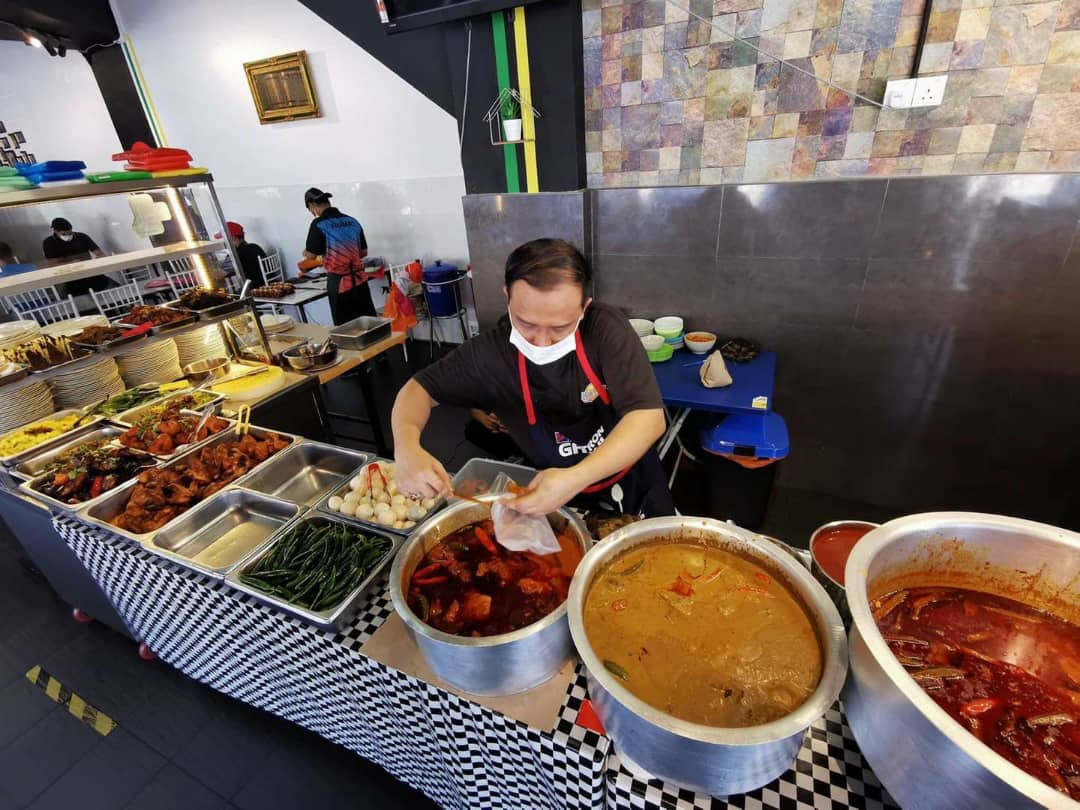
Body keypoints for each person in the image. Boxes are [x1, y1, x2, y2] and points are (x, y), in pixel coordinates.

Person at [392, 238, 674, 517]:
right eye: (526, 323)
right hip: (551, 494)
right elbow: (418, 390)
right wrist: (406, 448)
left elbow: (647, 418)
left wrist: (576, 477)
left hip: (632, 479)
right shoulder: (492, 353)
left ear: (584, 308)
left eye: (560, 327)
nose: (541, 342)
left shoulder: (605, 330)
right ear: (508, 296)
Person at [300, 188, 374, 324]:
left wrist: (305, 252)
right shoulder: (352, 221)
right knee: (370, 324)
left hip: (340, 285)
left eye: (310, 209)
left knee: (348, 328)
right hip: (360, 281)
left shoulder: (319, 224)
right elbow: (363, 252)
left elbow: (310, 255)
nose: (312, 213)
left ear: (312, 205)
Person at [41, 217, 109, 296]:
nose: (68, 236)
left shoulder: (82, 237)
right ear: (55, 231)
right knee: (77, 293)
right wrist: (71, 264)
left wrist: (97, 260)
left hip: (88, 271)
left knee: (103, 285)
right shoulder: (49, 243)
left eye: (70, 233)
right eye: (63, 234)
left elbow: (100, 253)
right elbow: (52, 265)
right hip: (69, 276)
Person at [227, 221, 267, 286]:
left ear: (233, 238)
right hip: (267, 281)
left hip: (255, 285)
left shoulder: (237, 253)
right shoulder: (255, 246)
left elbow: (225, 270)